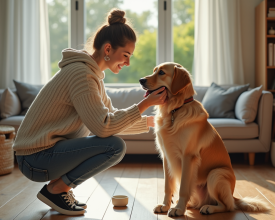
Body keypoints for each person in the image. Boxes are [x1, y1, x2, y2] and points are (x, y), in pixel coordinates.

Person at [13, 8, 167, 216]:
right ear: (108, 48)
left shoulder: (92, 75)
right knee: (114, 147)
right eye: (125, 55)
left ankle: (57, 190)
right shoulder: (82, 75)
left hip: (40, 155)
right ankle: (57, 190)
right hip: (34, 159)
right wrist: (145, 103)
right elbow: (104, 128)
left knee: (113, 143)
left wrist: (150, 121)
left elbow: (112, 118)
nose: (128, 63)